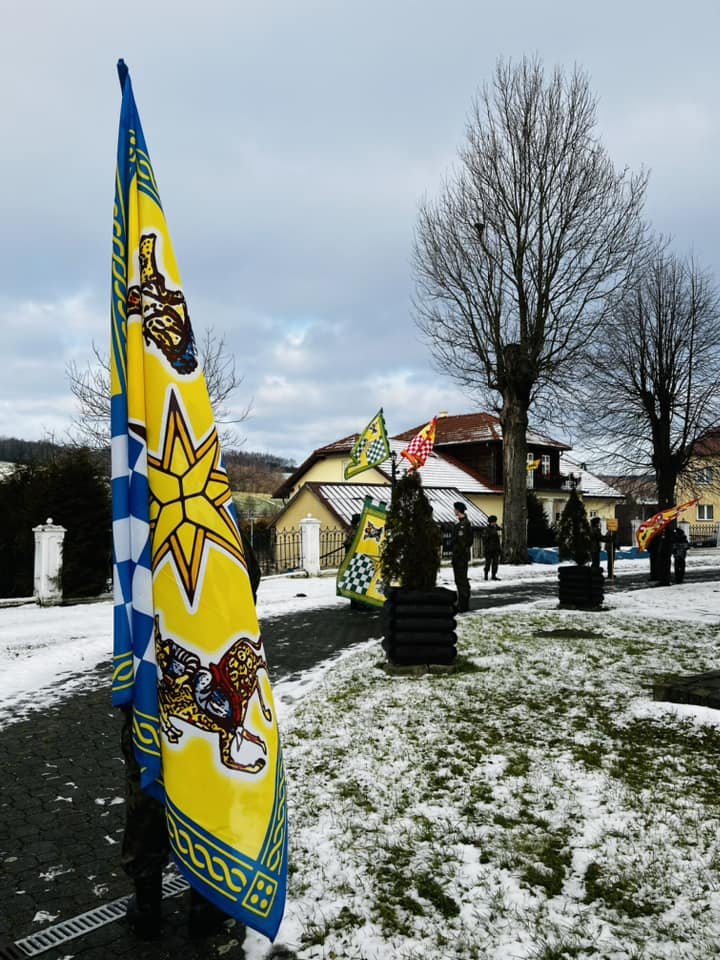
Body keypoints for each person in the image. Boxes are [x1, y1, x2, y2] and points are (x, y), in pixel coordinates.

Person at [122, 535, 261, 941]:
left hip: (156, 690)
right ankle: (205, 905)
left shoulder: (140, 524)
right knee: (206, 793)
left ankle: (148, 904)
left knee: (148, 796)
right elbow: (247, 584)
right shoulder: (219, 527)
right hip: (201, 690)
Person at [451, 501, 473, 612]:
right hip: (460, 556)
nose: (454, 511)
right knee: (460, 580)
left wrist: (458, 555)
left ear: (458, 510)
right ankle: (462, 603)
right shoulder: (461, 523)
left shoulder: (463, 525)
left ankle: (463, 605)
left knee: (461, 580)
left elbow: (462, 543)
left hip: (460, 557)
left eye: (455, 509)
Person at [482, 515, 502, 581]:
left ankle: (494, 575)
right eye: (493, 522)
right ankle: (486, 575)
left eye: (495, 522)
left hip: (496, 549)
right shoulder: (487, 529)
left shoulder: (496, 529)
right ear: (490, 522)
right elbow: (484, 539)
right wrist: (486, 547)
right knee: (488, 563)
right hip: (489, 549)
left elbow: (498, 540)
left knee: (495, 563)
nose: (494, 523)